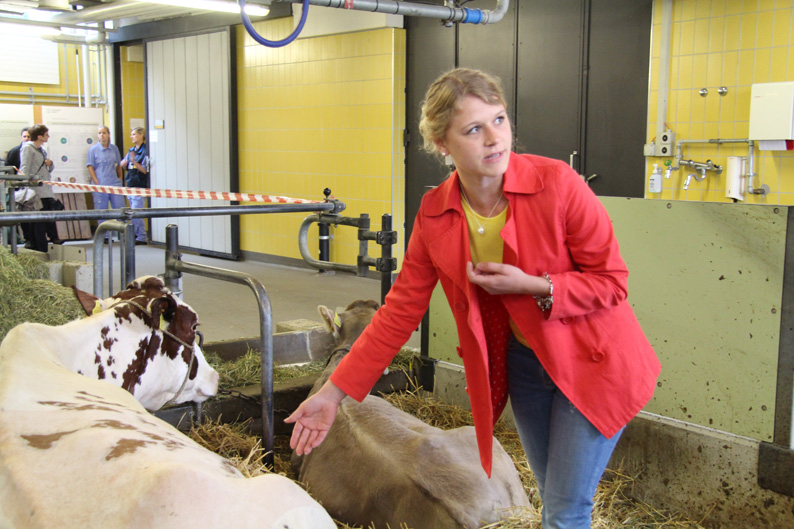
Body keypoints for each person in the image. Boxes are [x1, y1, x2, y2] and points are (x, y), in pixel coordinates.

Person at [286, 68, 661, 529]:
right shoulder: (436, 212)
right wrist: (331, 394)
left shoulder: (558, 183)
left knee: (567, 512)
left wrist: (535, 285)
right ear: (442, 144)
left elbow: (612, 282)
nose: (494, 138)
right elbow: (398, 313)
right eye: (473, 129)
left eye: (499, 120)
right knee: (551, 495)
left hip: (591, 361)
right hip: (525, 364)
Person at [19, 124, 60, 252]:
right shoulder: (28, 149)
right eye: (46, 134)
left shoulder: (42, 150)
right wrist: (25, 186)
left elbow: (47, 170)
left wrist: (50, 164)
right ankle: (40, 248)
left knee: (44, 221)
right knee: (38, 223)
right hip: (36, 192)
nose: (48, 136)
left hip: (45, 190)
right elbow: (24, 168)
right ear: (39, 136)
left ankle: (41, 247)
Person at [87, 125, 124, 242]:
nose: (102, 135)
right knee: (101, 210)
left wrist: (120, 179)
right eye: (99, 133)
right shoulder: (93, 149)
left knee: (120, 208)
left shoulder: (114, 149)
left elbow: (118, 165)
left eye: (104, 133)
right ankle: (105, 236)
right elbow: (90, 166)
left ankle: (123, 234)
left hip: (114, 183)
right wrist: (96, 181)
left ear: (108, 134)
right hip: (100, 184)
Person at [120, 127, 149, 245]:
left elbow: (144, 170)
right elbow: (124, 163)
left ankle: (139, 236)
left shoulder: (145, 151)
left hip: (139, 184)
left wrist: (134, 162)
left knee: (137, 212)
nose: (131, 137)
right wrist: (123, 164)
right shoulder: (131, 150)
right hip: (131, 183)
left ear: (141, 135)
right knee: (133, 212)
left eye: (134, 134)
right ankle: (138, 235)